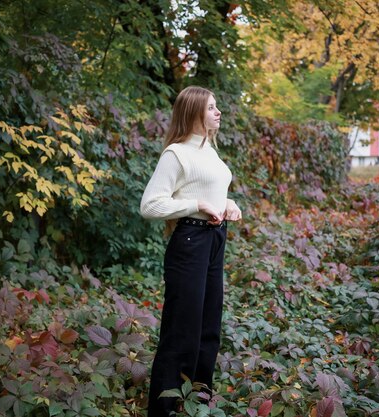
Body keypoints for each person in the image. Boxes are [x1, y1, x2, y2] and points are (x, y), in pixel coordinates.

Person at [140, 86, 242, 417]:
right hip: (190, 243)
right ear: (194, 112)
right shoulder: (177, 153)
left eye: (217, 106)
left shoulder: (209, 151)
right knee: (181, 330)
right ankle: (162, 409)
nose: (218, 112)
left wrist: (228, 203)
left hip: (214, 241)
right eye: (211, 107)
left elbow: (212, 189)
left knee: (208, 327)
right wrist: (196, 204)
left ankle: (197, 401)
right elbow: (151, 204)